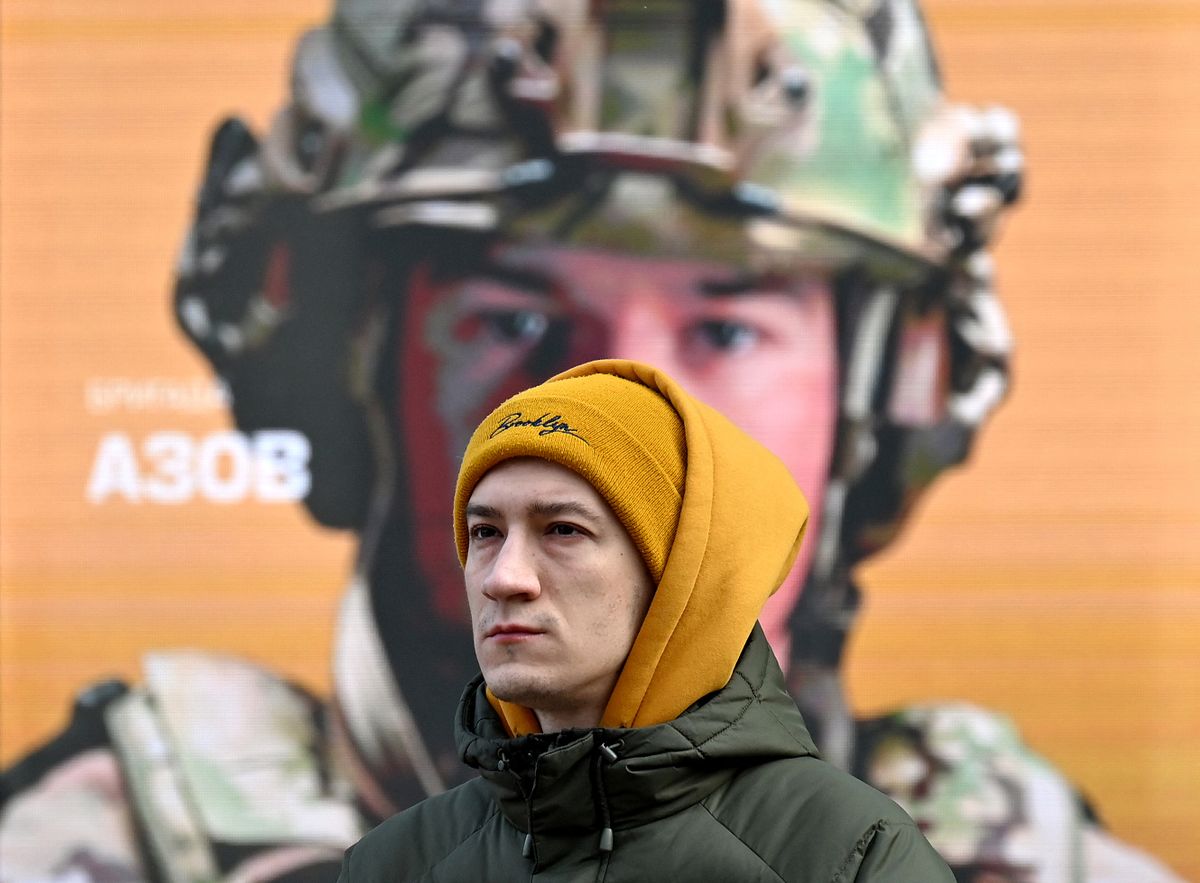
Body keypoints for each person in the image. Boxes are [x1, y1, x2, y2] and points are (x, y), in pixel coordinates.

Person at [0, 1, 1185, 881]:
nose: (624, 420)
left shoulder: (1002, 860)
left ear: (888, 398)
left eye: (727, 328)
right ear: (349, 374)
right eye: (512, 319)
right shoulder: (95, 848)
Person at [338, 358, 954, 881]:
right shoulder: (394, 864)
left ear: (680, 576)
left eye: (563, 530)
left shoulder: (850, 857)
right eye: (485, 532)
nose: (504, 577)